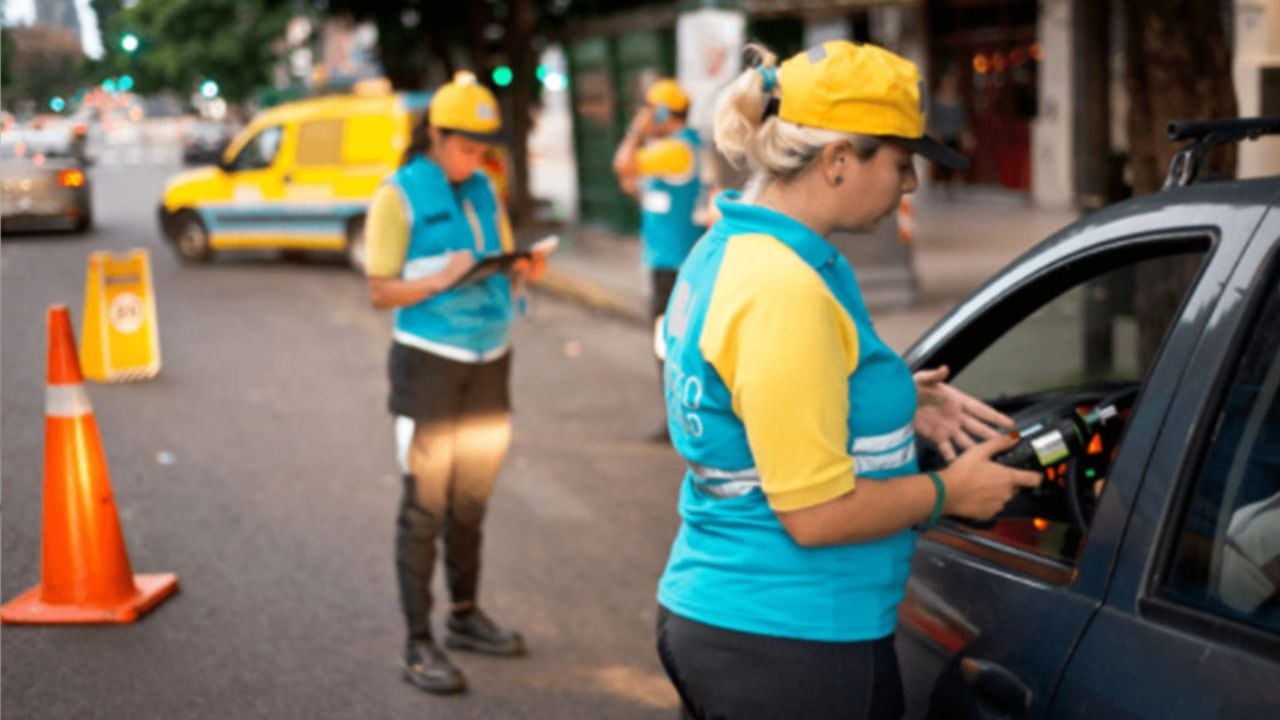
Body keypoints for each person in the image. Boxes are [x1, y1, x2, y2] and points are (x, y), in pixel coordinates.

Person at [653, 41, 1042, 720]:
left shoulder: (739, 250)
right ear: (837, 161)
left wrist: (896, 400)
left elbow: (754, 403)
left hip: (737, 622)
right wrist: (950, 491)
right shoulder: (783, 289)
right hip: (793, 643)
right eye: (901, 162)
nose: (912, 184)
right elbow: (815, 514)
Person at [363, 71, 543, 696]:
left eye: (482, 148)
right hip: (430, 366)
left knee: (472, 501)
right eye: (465, 146)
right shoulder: (399, 196)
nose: (476, 158)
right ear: (436, 135)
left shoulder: (486, 189)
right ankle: (419, 642)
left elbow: (503, 261)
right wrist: (442, 278)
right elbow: (380, 290)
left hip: (490, 361)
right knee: (425, 508)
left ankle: (464, 616)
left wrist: (522, 269)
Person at [612, 78, 704, 442]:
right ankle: (680, 418)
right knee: (672, 343)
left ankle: (681, 421)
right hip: (670, 262)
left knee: (671, 345)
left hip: (674, 267)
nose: (644, 117)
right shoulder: (672, 149)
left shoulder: (677, 149)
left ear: (663, 112)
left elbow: (623, 165)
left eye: (649, 110)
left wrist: (636, 130)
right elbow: (635, 186)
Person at [926, 68, 972, 198]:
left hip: (954, 134)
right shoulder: (936, 100)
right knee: (942, 159)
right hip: (941, 135)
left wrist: (964, 133)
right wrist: (934, 131)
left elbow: (962, 118)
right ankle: (945, 182)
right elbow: (933, 117)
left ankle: (951, 182)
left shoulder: (958, 101)